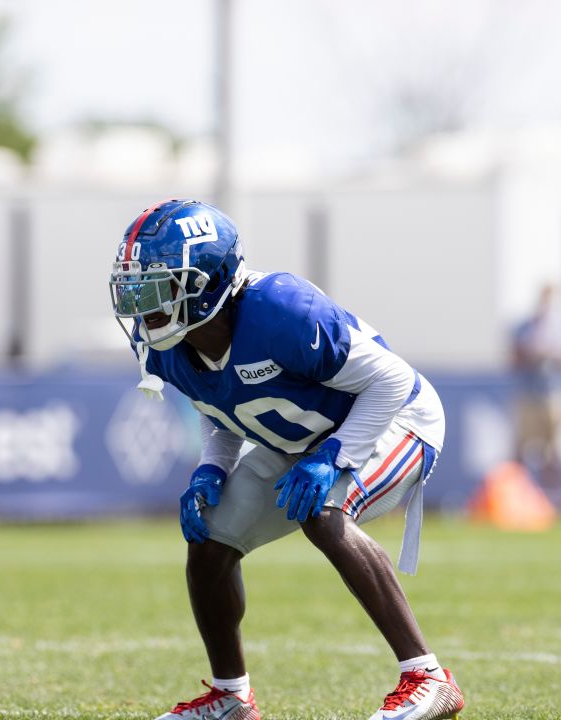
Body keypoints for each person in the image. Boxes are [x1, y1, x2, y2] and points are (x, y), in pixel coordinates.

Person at [109, 200, 464, 720]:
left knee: (321, 510)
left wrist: (334, 458)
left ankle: (427, 677)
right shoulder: (164, 343)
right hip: (303, 439)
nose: (145, 303)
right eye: (137, 286)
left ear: (208, 282)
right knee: (208, 538)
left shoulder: (280, 311)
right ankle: (231, 698)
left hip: (397, 417)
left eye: (161, 285)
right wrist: (212, 466)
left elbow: (392, 381)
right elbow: (219, 405)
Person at [510, 284, 561, 501]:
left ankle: (554, 499)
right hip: (530, 394)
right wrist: (532, 352)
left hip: (556, 394)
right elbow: (514, 359)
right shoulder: (525, 326)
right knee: (521, 450)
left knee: (555, 453)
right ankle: (518, 498)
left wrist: (554, 353)